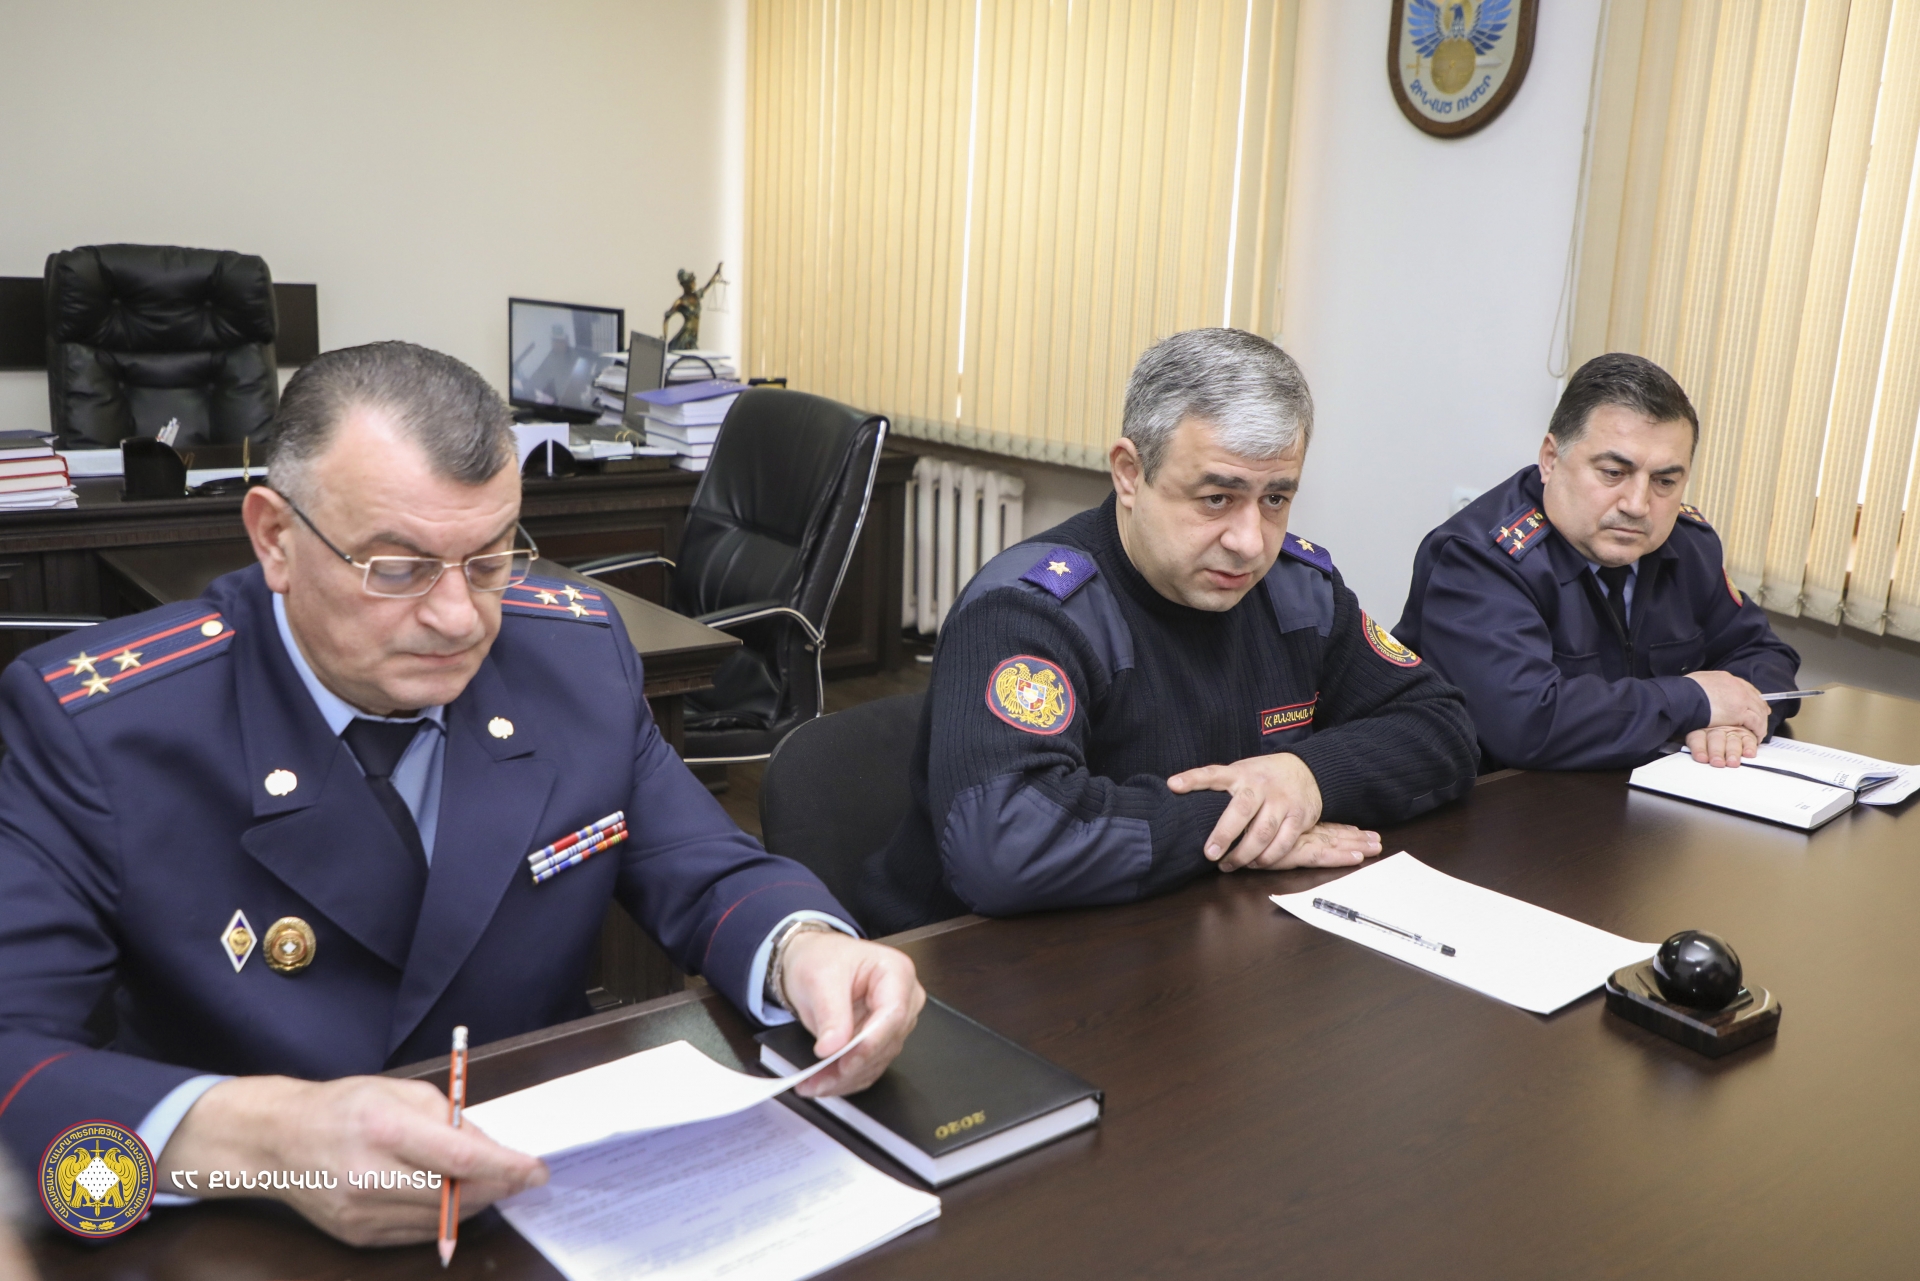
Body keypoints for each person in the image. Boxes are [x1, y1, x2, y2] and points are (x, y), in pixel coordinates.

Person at [0, 342, 923, 1246]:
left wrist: (804, 949)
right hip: (243, 1231)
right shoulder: (99, 728)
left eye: (489, 559)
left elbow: (701, 864)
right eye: (396, 568)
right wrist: (260, 1146)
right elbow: (16, 1059)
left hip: (545, 1199)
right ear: (275, 537)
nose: (456, 618)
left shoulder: (570, 656)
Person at [860, 329, 1479, 933]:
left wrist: (1306, 775)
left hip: (1195, 935)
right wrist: (1245, 814)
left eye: (1275, 499)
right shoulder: (1029, 612)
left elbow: (1441, 726)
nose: (1250, 542)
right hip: (964, 963)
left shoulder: (1298, 591)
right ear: (1130, 473)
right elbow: (1006, 849)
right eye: (1216, 498)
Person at [1394, 352, 1801, 772]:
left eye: (1664, 481)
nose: (1637, 505)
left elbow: (1762, 652)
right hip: (1498, 799)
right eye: (1613, 472)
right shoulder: (1479, 559)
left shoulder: (1688, 545)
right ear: (1551, 459)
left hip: (1636, 790)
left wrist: (1735, 723)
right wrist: (1694, 700)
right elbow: (1526, 724)